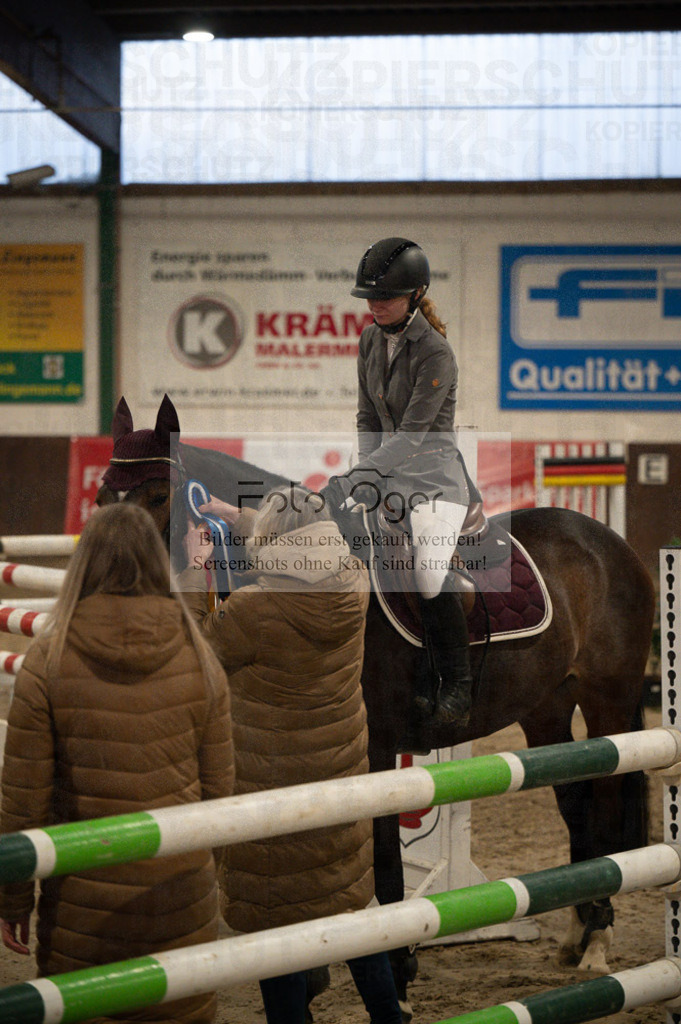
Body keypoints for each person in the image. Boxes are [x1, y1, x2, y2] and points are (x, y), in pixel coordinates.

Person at [0, 502, 234, 1024]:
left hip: (87, 905)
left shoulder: (48, 659)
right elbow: (221, 795)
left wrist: (14, 899)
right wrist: (196, 874)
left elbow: (23, 801)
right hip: (182, 895)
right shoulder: (201, 657)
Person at [180, 486, 403, 1024]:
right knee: (351, 907)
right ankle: (389, 1016)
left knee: (276, 923)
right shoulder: (354, 579)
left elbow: (196, 648)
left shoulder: (256, 609)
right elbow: (301, 547)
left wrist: (193, 570)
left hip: (271, 788)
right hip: (338, 780)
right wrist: (243, 519)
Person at [321, 236, 481, 727]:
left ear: (415, 294)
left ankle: (457, 684)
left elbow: (413, 435)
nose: (375, 305)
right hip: (386, 476)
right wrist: (362, 477)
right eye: (370, 297)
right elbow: (368, 416)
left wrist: (361, 474)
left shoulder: (437, 353)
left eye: (385, 296)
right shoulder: (370, 339)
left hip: (434, 479)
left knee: (429, 570)